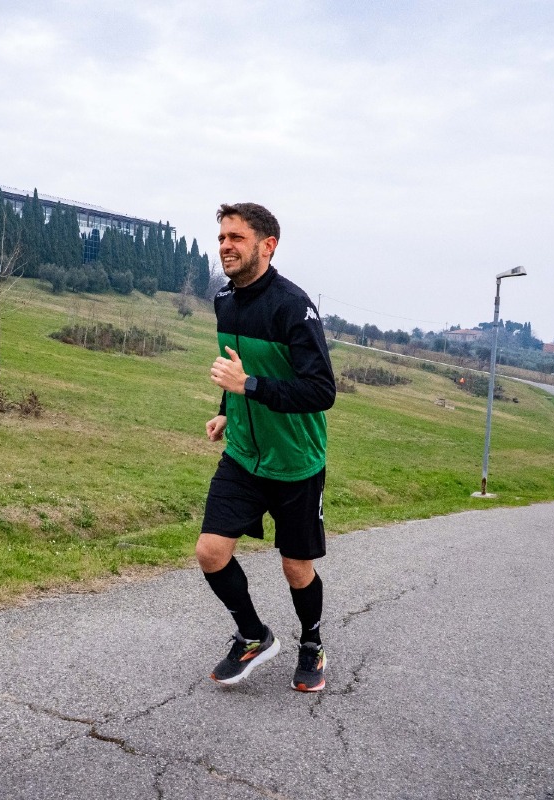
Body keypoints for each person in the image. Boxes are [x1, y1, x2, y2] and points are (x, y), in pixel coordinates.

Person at [198, 202, 336, 692]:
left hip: (295, 462)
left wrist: (248, 387)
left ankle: (312, 643)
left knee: (296, 567)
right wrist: (226, 408)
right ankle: (253, 635)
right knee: (210, 552)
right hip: (243, 455)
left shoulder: (293, 307)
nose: (226, 247)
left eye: (236, 237)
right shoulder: (224, 301)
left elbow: (322, 391)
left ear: (267, 245)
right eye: (221, 238)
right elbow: (236, 365)